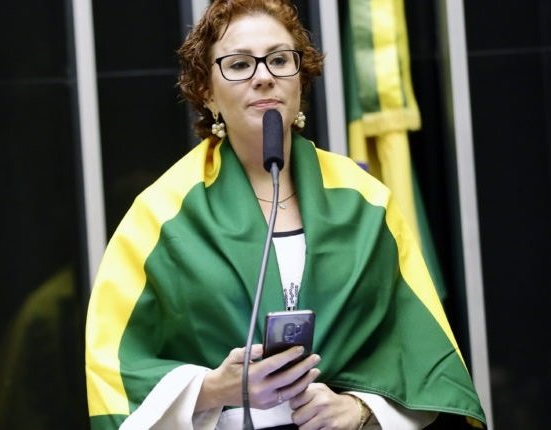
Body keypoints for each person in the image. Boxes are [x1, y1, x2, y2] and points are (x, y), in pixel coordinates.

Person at [85, 1, 486, 429]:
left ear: (300, 78)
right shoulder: (160, 216)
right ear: (207, 92)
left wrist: (360, 409)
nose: (264, 76)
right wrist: (216, 387)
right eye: (239, 65)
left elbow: (421, 350)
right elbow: (114, 366)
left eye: (279, 60)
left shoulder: (365, 200)